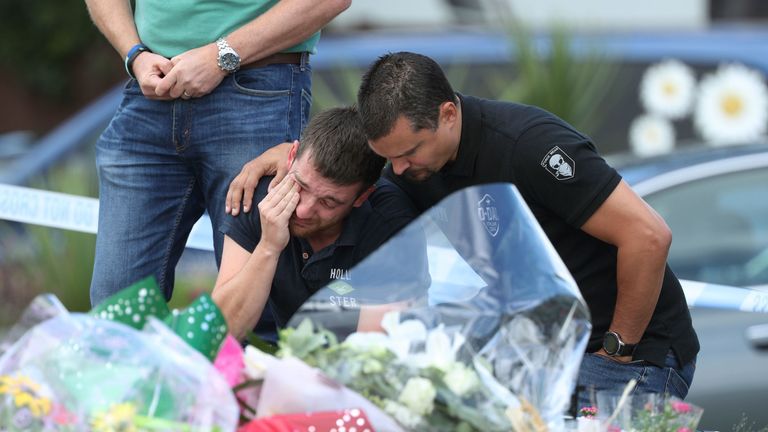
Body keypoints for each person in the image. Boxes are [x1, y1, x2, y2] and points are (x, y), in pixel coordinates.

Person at [225, 52, 700, 409]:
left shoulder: (528, 145)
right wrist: (284, 159)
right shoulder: (407, 167)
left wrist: (616, 352)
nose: (398, 167)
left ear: (448, 114)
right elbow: (340, 163)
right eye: (387, 157)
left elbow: (648, 236)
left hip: (633, 351)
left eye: (409, 151)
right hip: (541, 356)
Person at [84, 0, 352, 306]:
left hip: (256, 89)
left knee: (258, 310)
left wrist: (223, 55)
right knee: (116, 311)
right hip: (150, 89)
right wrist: (134, 55)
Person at [212, 107, 423, 339]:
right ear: (291, 156)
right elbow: (218, 331)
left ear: (362, 196)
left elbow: (372, 354)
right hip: (290, 357)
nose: (303, 211)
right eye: (301, 185)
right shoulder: (255, 194)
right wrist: (268, 247)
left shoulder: (390, 222)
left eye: (328, 202)